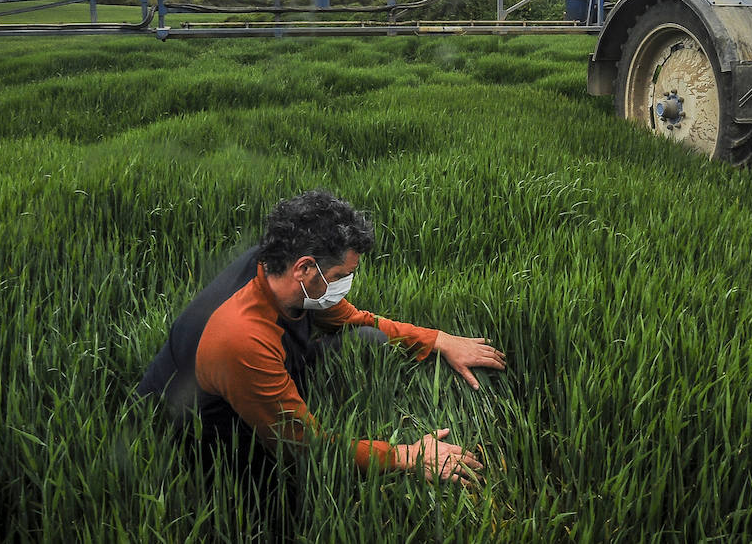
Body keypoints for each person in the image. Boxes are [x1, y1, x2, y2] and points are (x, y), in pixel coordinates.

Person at [137, 189, 506, 490]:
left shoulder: (280, 270)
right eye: (343, 274)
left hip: (260, 369)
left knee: (367, 338)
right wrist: (407, 456)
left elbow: (348, 318)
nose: (346, 283)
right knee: (293, 489)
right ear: (305, 269)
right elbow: (303, 446)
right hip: (203, 424)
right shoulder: (243, 337)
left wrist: (439, 340)